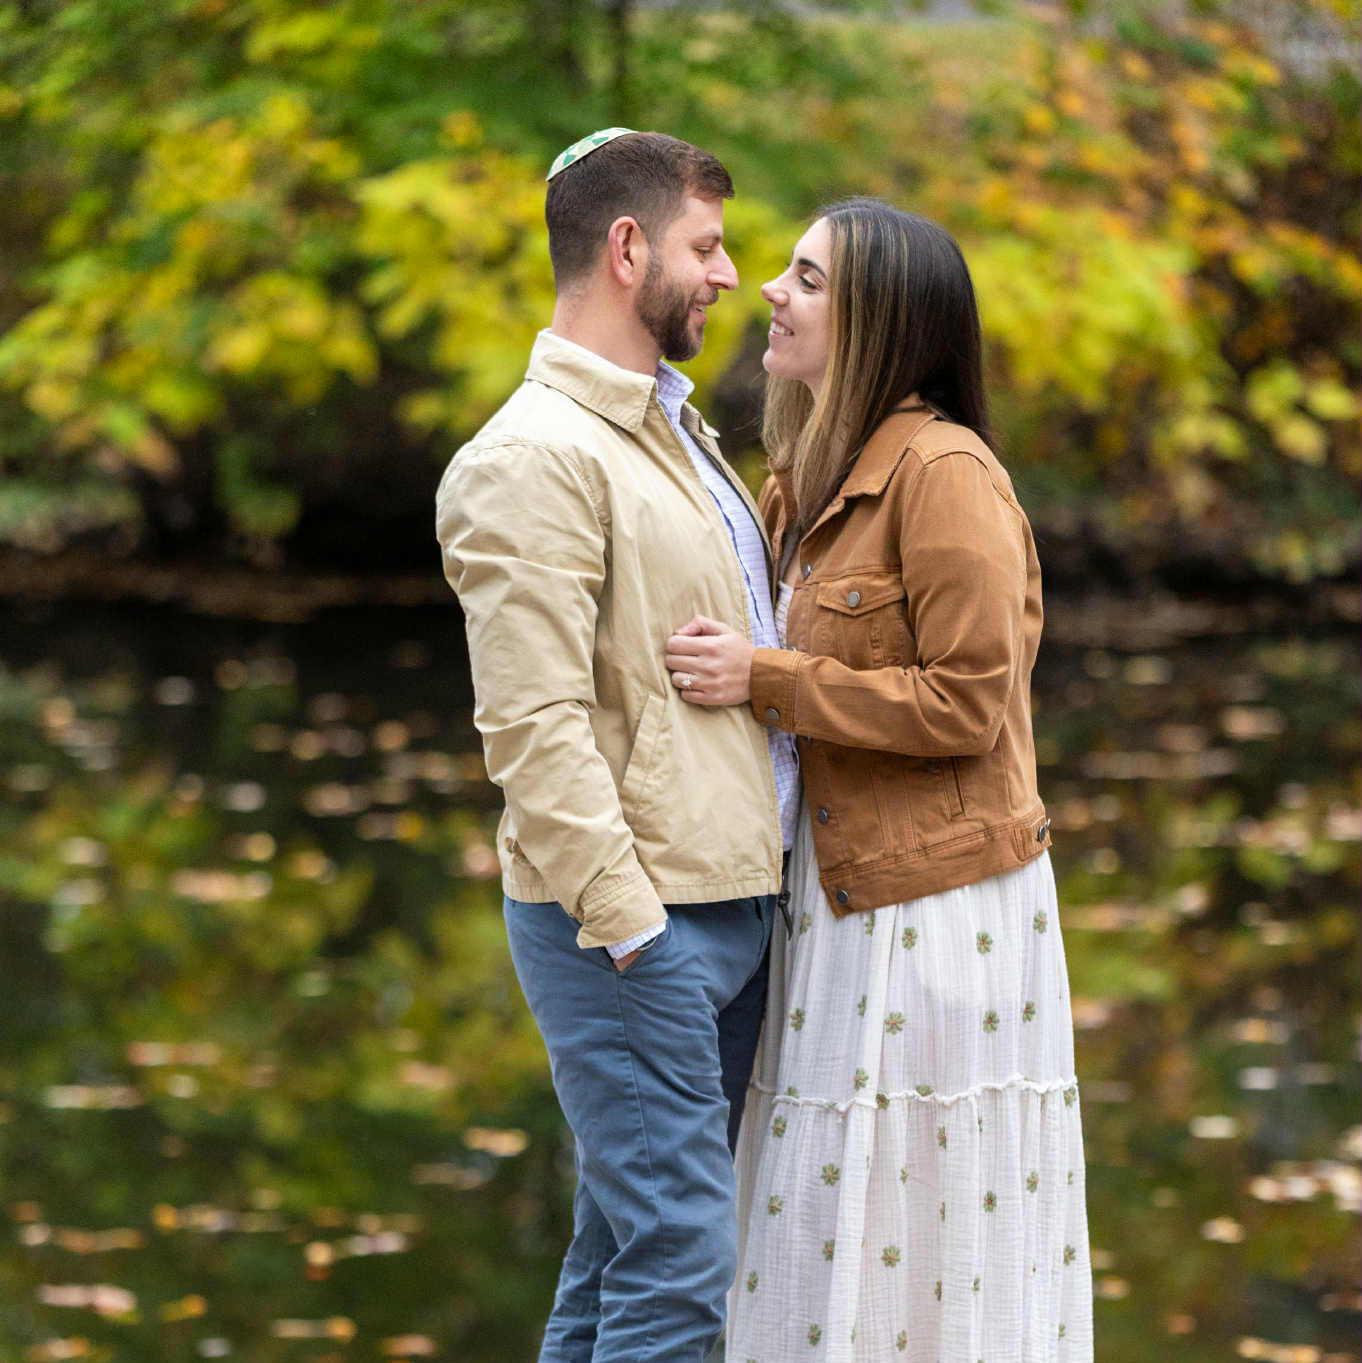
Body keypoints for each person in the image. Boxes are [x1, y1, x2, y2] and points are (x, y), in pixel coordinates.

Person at [663, 198, 1094, 1362]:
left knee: (919, 1205)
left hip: (937, 911)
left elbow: (969, 704)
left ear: (880, 322)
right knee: (822, 1212)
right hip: (832, 894)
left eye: (808, 279)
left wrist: (766, 678)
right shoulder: (802, 476)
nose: (769, 290)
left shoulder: (946, 473)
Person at [434, 129, 800, 1363]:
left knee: (620, 1257)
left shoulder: (670, 434)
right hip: (632, 925)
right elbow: (529, 727)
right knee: (679, 1266)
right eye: (708, 246)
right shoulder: (530, 457)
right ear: (628, 247)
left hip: (722, 901)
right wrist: (632, 928)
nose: (731, 275)